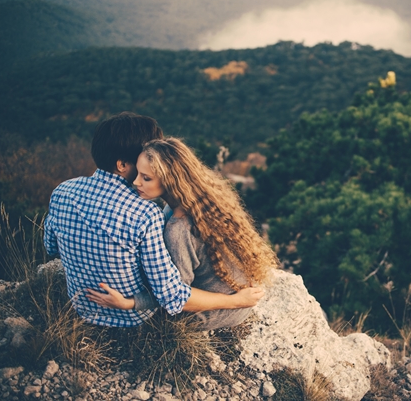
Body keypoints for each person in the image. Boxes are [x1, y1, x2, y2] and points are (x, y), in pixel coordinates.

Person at [44, 112, 263, 328]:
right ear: (123, 164)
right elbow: (171, 294)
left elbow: (51, 247)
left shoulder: (62, 191)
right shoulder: (146, 213)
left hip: (81, 309)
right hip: (134, 320)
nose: (140, 179)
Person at [86, 137, 279, 330]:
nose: (136, 182)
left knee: (154, 323)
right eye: (138, 173)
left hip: (220, 309)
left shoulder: (179, 231)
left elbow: (177, 297)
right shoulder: (199, 202)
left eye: (146, 178)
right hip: (233, 294)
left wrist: (130, 302)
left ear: (170, 181)